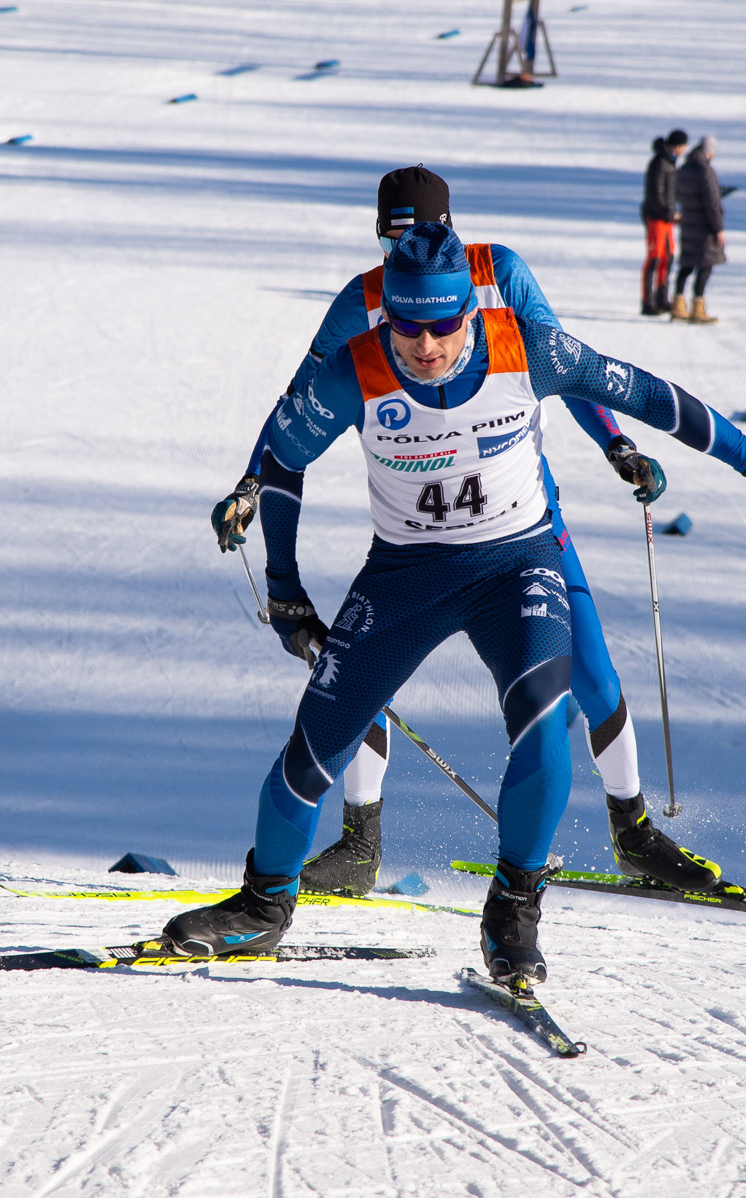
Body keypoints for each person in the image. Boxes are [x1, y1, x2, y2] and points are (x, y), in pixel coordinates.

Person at [166, 223, 746, 982]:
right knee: (313, 746)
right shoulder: (352, 370)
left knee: (547, 727)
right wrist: (285, 587)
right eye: (406, 326)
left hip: (518, 565)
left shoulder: (528, 348)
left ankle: (513, 910)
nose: (425, 346)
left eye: (443, 325)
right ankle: (262, 906)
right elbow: (282, 459)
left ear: (470, 311)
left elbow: (651, 396)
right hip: (404, 577)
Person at [211, 166, 714, 902]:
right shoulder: (363, 300)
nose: (401, 247)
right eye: (391, 237)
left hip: (523, 526)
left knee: (592, 674)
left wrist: (617, 444)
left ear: (449, 228)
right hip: (417, 534)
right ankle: (360, 840)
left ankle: (632, 832)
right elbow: (301, 403)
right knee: (359, 675)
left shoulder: (498, 271)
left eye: (416, 233)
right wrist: (253, 482)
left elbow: (569, 366)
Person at [673, 135, 725, 323]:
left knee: (687, 264)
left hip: (688, 224)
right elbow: (712, 203)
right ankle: (697, 308)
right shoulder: (706, 170)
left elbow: (676, 194)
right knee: (705, 265)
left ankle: (678, 305)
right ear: (709, 151)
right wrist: (718, 229)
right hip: (704, 227)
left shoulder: (684, 168)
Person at [640, 129, 686, 316]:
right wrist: (669, 213)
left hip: (667, 219)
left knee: (668, 257)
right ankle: (648, 302)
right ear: (677, 146)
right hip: (656, 218)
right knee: (655, 258)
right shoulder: (659, 163)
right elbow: (656, 195)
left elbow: (670, 194)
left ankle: (662, 299)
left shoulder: (670, 162)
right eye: (683, 146)